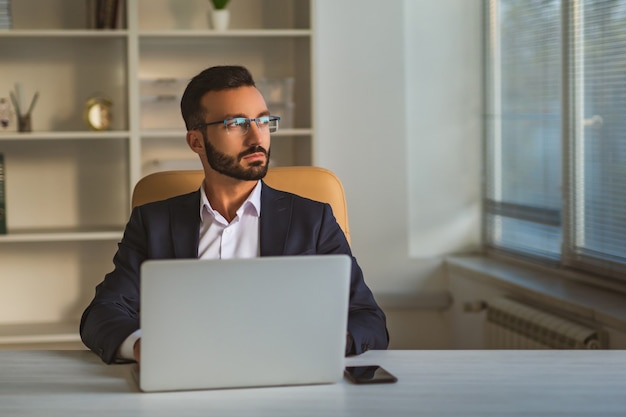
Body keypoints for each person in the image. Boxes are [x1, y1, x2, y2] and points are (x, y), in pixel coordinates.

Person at [79, 65, 389, 364]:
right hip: (188, 385)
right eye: (237, 124)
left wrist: (328, 342)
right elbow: (103, 313)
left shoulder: (314, 220)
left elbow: (368, 319)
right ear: (196, 141)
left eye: (264, 121)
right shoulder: (154, 224)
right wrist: (141, 348)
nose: (257, 138)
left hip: (288, 382)